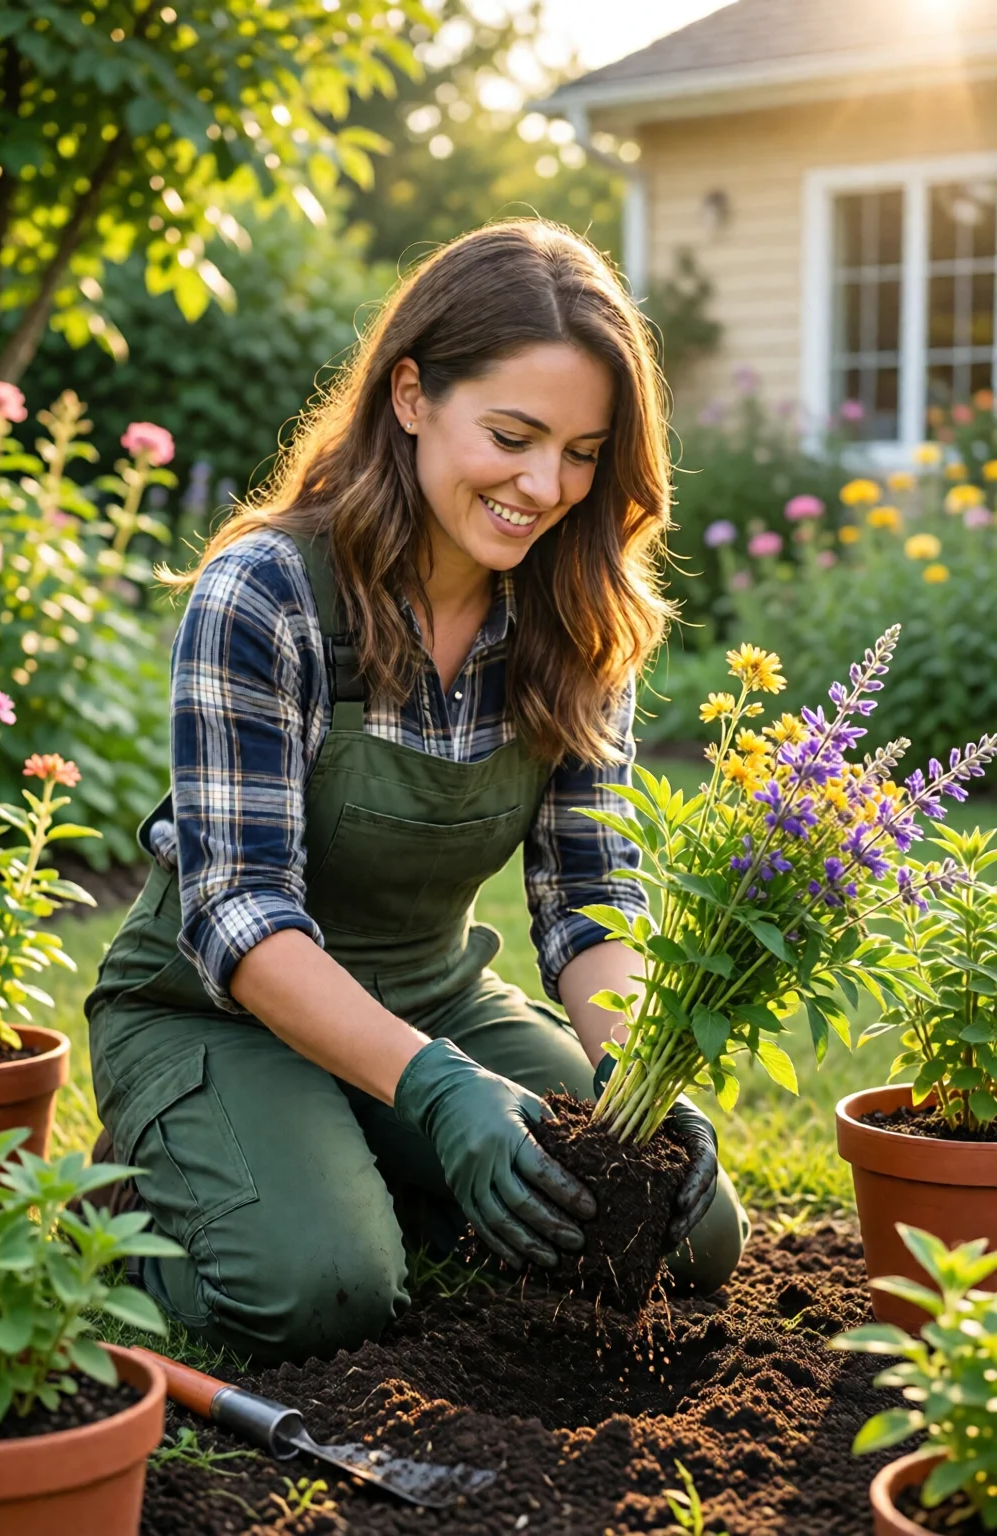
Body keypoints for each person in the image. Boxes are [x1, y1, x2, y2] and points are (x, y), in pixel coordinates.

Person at [85, 220, 749, 1367]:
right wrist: (438, 1092)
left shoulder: (578, 616)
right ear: (408, 395)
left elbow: (590, 898)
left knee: (682, 1228)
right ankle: (146, 1206)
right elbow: (238, 913)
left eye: (584, 452)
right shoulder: (269, 594)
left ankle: (362, 1160)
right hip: (220, 1012)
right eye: (512, 435)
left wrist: (640, 1080)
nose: (544, 487)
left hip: (433, 1000)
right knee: (321, 1287)